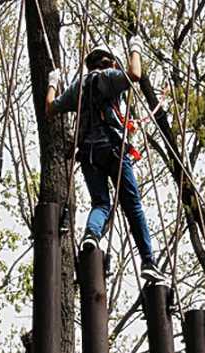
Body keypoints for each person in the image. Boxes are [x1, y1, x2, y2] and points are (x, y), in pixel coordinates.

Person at [44, 36, 165, 282]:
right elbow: (135, 73)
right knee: (133, 206)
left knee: (101, 203)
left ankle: (91, 234)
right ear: (109, 62)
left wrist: (53, 83)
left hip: (89, 154)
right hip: (112, 149)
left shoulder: (79, 86)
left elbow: (50, 108)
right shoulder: (108, 77)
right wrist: (135, 48)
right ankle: (148, 261)